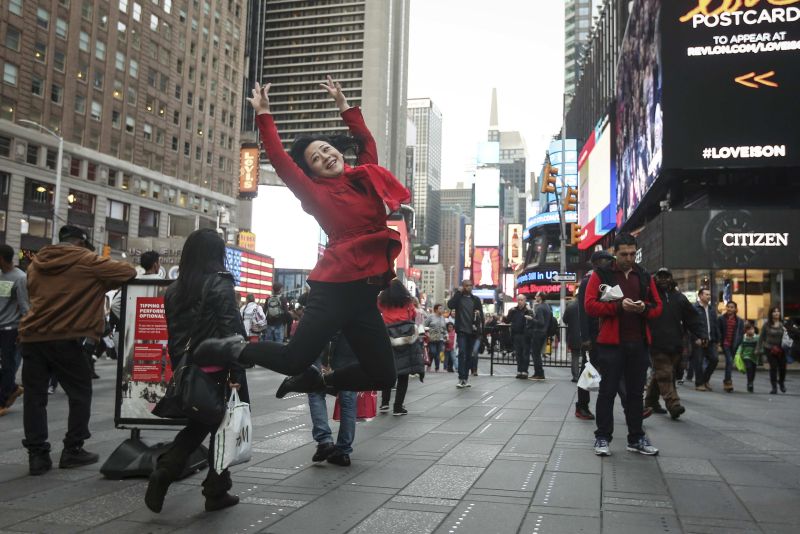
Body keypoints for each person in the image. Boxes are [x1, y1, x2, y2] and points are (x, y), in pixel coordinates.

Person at [191, 77, 410, 397]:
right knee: (294, 359)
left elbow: (365, 141)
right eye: (317, 160)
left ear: (336, 149)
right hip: (335, 290)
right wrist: (264, 116)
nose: (325, 157)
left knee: (382, 374)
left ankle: (319, 381)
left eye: (326, 149)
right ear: (313, 173)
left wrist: (344, 106)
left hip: (364, 295)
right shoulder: (315, 194)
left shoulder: (365, 176)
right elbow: (280, 160)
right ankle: (232, 348)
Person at [145, 229, 249, 513]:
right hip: (220, 369)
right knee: (224, 427)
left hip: (189, 369)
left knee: (203, 423)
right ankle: (214, 490)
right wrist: (239, 370)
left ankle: (168, 470)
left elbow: (175, 336)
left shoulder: (174, 290)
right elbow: (232, 332)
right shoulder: (220, 283)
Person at [19, 226, 136, 475]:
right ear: (81, 243)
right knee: (80, 393)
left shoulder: (36, 263)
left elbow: (35, 293)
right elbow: (128, 271)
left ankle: (37, 456)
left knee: (34, 398)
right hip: (66, 336)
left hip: (31, 336)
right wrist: (97, 282)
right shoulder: (86, 259)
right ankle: (72, 449)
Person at [584, 233, 662, 457]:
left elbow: (657, 307)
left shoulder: (644, 276)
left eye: (631, 253)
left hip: (638, 343)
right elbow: (590, 306)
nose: (629, 258)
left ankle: (636, 437)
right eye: (623, 254)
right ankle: (602, 437)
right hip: (611, 344)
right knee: (607, 392)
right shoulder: (602, 274)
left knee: (636, 393)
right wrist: (619, 307)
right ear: (614, 253)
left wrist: (643, 308)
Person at [644, 268, 705, 420]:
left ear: (671, 279)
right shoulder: (649, 296)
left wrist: (702, 334)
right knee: (665, 374)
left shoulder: (679, 298)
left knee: (662, 374)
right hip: (657, 343)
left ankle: (650, 402)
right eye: (660, 277)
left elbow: (692, 318)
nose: (663, 280)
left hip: (675, 343)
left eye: (666, 277)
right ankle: (673, 404)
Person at [575, 251, 616, 421]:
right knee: (588, 370)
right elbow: (583, 311)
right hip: (593, 335)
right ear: (595, 263)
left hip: (607, 333)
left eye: (608, 260)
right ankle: (582, 406)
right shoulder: (588, 280)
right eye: (603, 260)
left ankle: (633, 405)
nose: (607, 263)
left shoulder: (610, 279)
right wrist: (585, 337)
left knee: (613, 370)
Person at [308, 333, 357, 467]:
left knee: (315, 388)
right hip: (350, 342)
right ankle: (343, 451)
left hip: (324, 336)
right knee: (348, 396)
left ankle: (324, 441)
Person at [378, 279, 424, 415]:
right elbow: (413, 315)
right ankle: (398, 407)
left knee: (388, 371)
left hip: (388, 337)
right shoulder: (407, 301)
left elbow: (376, 310)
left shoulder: (382, 301)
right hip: (406, 337)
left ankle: (384, 403)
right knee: (404, 373)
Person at [0, 244, 29, 416]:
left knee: (9, 364)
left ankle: (2, 401)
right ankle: (12, 387)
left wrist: (23, 329)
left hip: (11, 328)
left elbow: (25, 306)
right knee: (6, 366)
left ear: (2, 258)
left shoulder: (20, 278)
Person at [447, 280, 484, 388]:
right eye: (467, 286)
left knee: (469, 355)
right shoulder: (459, 299)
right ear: (463, 287)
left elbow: (481, 316)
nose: (469, 287)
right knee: (462, 353)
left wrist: (481, 330)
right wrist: (458, 293)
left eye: (470, 286)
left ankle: (465, 378)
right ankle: (461, 378)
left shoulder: (475, 300)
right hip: (462, 331)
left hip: (472, 332)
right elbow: (450, 305)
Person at [690, 287, 720, 392]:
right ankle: (699, 383)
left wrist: (717, 340)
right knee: (698, 362)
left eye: (709, 294)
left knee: (714, 359)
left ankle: (705, 380)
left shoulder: (712, 309)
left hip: (711, 340)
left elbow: (715, 325)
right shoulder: (694, 308)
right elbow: (690, 325)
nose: (708, 296)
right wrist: (695, 338)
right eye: (706, 294)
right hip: (699, 340)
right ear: (700, 296)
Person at [504, 293, 533, 379]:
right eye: (519, 300)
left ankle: (525, 371)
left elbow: (532, 320)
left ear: (525, 300)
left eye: (522, 300)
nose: (520, 301)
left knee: (525, 353)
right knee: (518, 354)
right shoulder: (513, 310)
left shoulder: (528, 310)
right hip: (516, 334)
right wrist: (504, 318)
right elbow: (508, 320)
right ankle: (519, 371)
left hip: (525, 335)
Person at [717, 301, 744, 393]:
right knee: (729, 360)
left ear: (735, 309)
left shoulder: (740, 321)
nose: (730, 309)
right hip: (725, 344)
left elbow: (740, 334)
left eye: (732, 307)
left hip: (734, 344)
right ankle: (728, 382)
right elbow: (718, 331)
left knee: (730, 362)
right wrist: (719, 342)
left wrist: (739, 344)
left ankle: (727, 380)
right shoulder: (721, 319)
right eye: (728, 307)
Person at [760, 306, 787, 394]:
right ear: (771, 314)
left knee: (783, 368)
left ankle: (781, 382)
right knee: (773, 367)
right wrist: (758, 349)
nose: (776, 313)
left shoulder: (783, 324)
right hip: (770, 349)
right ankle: (774, 387)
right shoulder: (766, 325)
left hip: (781, 349)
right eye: (774, 312)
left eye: (778, 311)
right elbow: (761, 338)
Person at [528, 292, 552, 380]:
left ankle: (539, 373)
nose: (535, 297)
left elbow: (541, 322)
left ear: (540, 297)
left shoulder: (540, 307)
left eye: (536, 296)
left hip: (538, 332)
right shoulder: (547, 306)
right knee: (537, 354)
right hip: (544, 332)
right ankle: (539, 373)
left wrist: (531, 319)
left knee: (535, 354)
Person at [561, 295, 582, 384]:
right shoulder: (586, 305)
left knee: (575, 357)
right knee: (587, 357)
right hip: (586, 336)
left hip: (573, 335)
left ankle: (575, 377)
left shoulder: (570, 306)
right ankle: (585, 376)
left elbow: (565, 320)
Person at [736, 321, 759, 393]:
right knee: (749, 367)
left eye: (752, 329)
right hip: (746, 355)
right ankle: (750, 383)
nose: (751, 331)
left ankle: (750, 382)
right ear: (746, 330)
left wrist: (758, 350)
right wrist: (738, 353)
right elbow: (740, 346)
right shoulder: (743, 337)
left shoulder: (757, 337)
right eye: (749, 329)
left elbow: (760, 346)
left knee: (753, 371)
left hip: (754, 357)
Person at [424, 304, 447, 372]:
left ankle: (437, 367)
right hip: (432, 338)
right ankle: (429, 365)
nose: (442, 310)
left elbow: (445, 328)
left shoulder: (442, 318)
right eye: (440, 308)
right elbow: (425, 325)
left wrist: (446, 335)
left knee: (440, 353)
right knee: (433, 352)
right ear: (436, 309)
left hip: (441, 338)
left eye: (442, 308)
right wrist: (427, 333)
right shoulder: (431, 316)